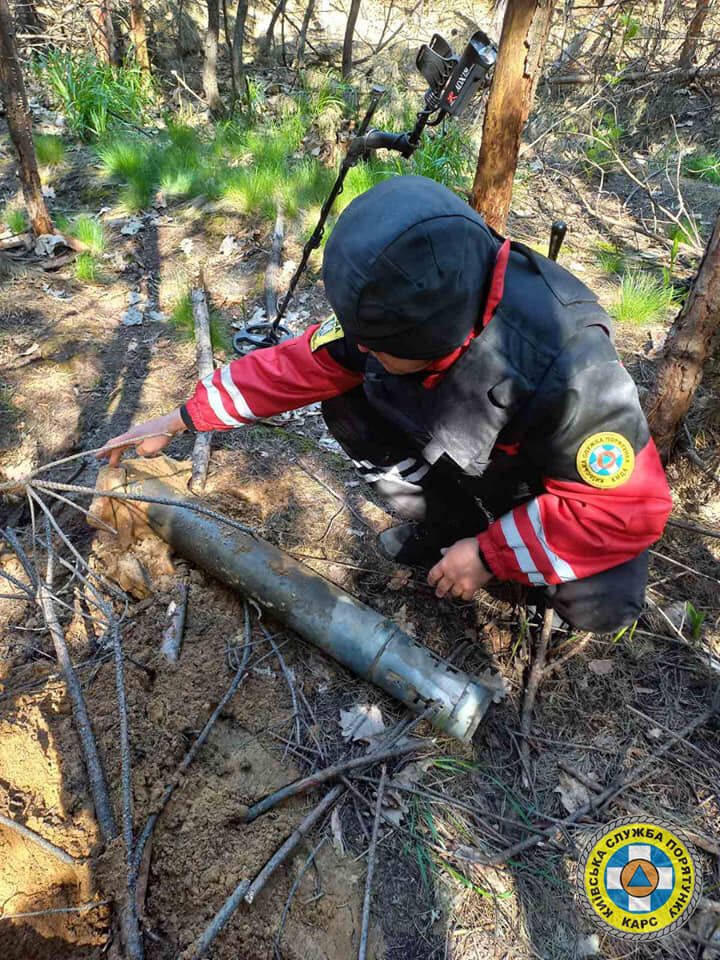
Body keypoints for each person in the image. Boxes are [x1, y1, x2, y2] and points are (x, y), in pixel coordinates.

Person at [97, 176, 672, 633]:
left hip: (541, 483)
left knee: (605, 601)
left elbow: (628, 508)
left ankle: (507, 569)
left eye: (378, 346)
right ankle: (447, 528)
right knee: (347, 403)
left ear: (435, 340)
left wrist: (490, 555)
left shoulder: (572, 369)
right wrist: (183, 418)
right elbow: (297, 365)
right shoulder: (401, 300)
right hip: (462, 447)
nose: (361, 348)